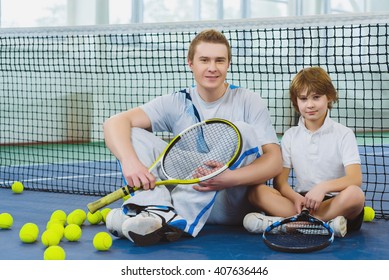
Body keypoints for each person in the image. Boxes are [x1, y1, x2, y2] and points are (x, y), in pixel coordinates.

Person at [103, 29, 282, 246]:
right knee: (130, 133)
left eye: (219, 60)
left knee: (241, 130)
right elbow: (114, 122)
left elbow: (274, 161)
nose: (212, 68)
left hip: (230, 201)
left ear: (228, 64)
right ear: (191, 63)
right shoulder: (176, 101)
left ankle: (166, 219)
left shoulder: (248, 100)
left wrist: (228, 178)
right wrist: (130, 162)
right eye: (204, 60)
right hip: (181, 194)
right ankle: (155, 209)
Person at [243, 66, 365, 237]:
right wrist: (296, 198)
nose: (310, 104)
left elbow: (355, 178)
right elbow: (280, 183)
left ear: (329, 96)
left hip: (334, 203)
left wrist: (323, 187)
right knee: (257, 192)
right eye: (303, 98)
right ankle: (322, 225)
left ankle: (287, 224)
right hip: (301, 203)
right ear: (296, 101)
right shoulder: (290, 136)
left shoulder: (344, 134)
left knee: (355, 195)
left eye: (316, 97)